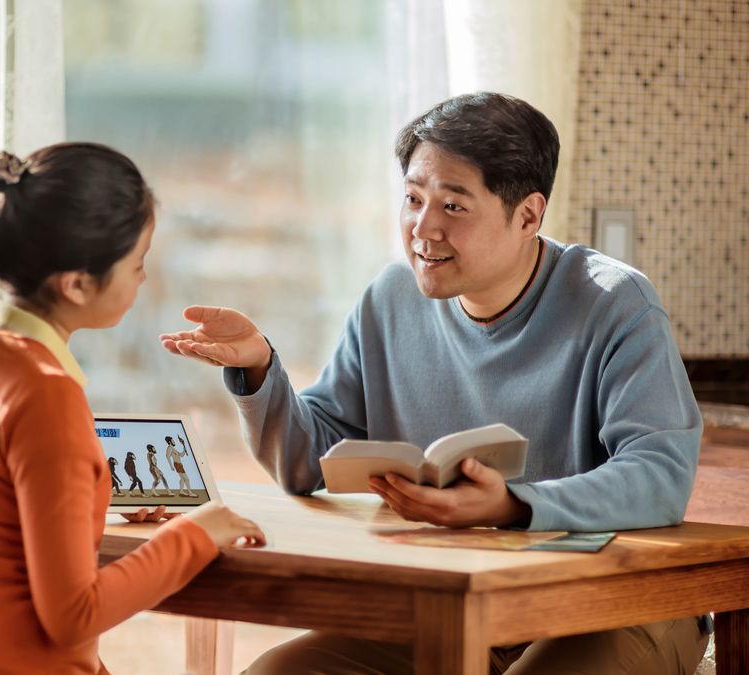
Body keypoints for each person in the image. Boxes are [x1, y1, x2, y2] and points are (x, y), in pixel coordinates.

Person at [161, 93, 707, 674]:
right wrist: (258, 370)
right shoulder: (391, 300)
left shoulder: (614, 303)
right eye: (415, 199)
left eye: (453, 205)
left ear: (527, 215)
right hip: (460, 605)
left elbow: (660, 474)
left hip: (619, 604)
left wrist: (512, 505)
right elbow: (310, 463)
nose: (424, 228)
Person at [0, 142, 265, 675]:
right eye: (137, 265)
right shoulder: (45, 394)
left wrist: (89, 511)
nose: (143, 281)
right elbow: (73, 616)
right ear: (77, 284)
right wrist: (196, 534)